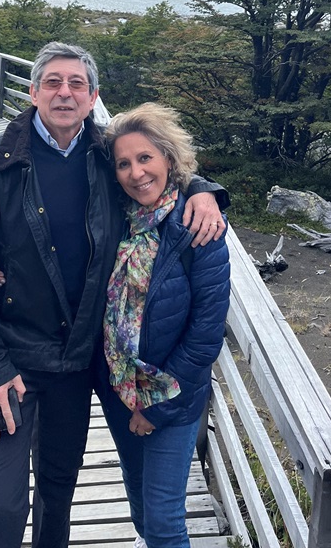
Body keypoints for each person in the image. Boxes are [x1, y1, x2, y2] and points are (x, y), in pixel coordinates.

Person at [0, 41, 226, 548]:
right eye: (52, 82)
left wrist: (205, 191)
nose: (64, 92)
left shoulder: (103, 156)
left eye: (77, 84)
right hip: (9, 357)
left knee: (58, 493)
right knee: (2, 504)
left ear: (93, 98)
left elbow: (155, 169)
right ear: (33, 92)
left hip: (76, 363)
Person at [98, 102, 231, 548]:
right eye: (124, 163)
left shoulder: (198, 225)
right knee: (138, 497)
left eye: (145, 158)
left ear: (169, 160)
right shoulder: (115, 218)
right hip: (120, 388)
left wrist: (153, 408)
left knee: (164, 521)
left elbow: (206, 335)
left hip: (173, 394)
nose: (136, 173)